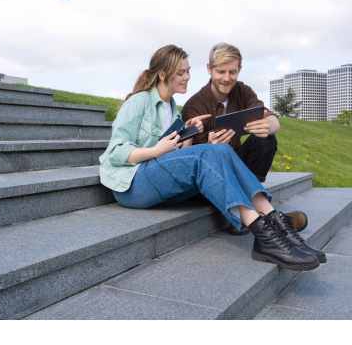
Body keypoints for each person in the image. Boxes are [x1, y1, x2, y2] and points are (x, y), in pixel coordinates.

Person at [99, 45, 326, 271]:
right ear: (162, 75)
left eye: (188, 71)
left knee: (222, 150)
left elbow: (175, 161)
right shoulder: (139, 101)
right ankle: (265, 234)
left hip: (158, 182)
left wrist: (187, 135)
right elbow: (115, 152)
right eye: (181, 73)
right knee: (211, 151)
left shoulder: (174, 110)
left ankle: (276, 223)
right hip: (131, 186)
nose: (188, 77)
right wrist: (157, 150)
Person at [182, 42, 304, 235]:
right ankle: (259, 217)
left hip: (236, 165)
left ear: (239, 69)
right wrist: (209, 147)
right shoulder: (194, 106)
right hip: (208, 180)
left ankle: (253, 212)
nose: (227, 78)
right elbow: (188, 159)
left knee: (265, 139)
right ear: (209, 69)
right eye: (221, 72)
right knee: (215, 154)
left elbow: (271, 117)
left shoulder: (242, 91)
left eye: (232, 72)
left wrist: (269, 125)